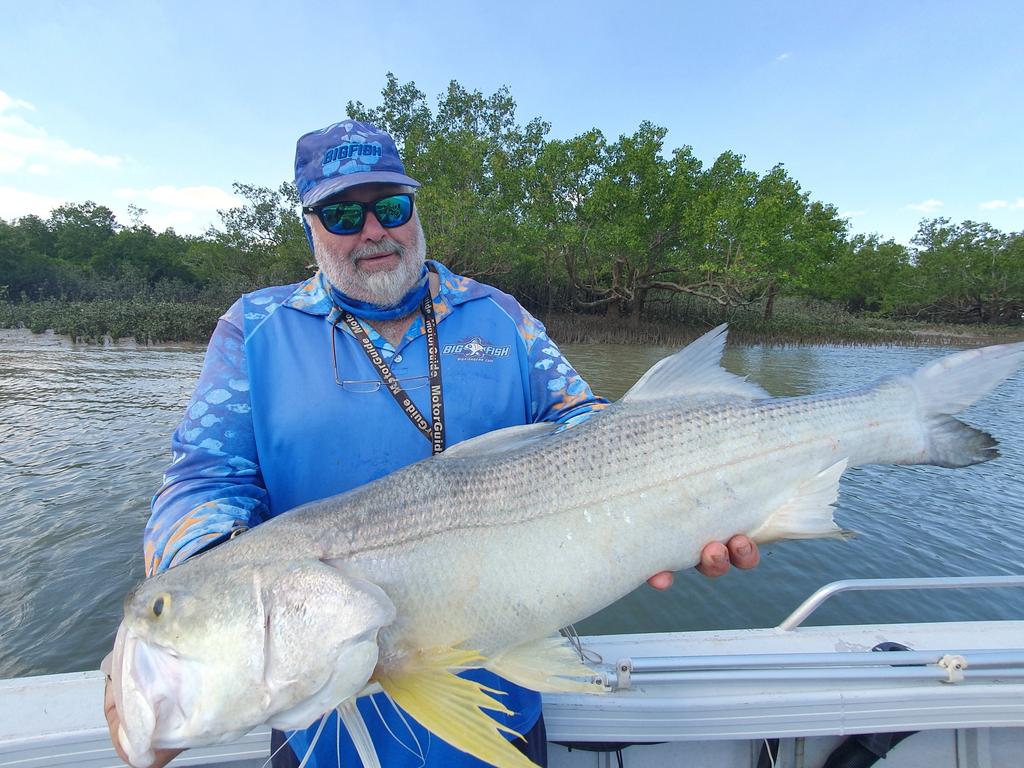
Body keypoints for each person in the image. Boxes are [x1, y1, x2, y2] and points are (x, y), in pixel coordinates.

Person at [105, 119, 759, 768]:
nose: (372, 231)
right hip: (322, 733)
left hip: (503, 712)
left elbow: (589, 425)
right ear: (309, 225)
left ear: (415, 209)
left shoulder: (501, 314)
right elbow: (203, 476)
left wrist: (691, 500)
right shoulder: (253, 329)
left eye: (391, 206)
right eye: (341, 215)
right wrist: (217, 611)